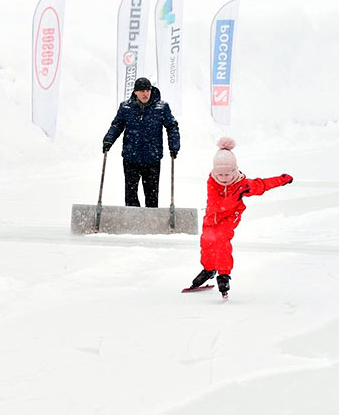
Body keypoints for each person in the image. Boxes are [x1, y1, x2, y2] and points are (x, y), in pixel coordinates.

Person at [186, 137, 293, 297]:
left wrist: (281, 180)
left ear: (235, 170)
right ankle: (209, 269)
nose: (223, 177)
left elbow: (261, 185)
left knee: (222, 238)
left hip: (231, 216)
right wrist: (236, 195)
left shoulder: (241, 183)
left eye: (227, 174)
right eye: (219, 173)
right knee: (207, 240)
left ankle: (223, 274)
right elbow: (218, 206)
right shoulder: (212, 182)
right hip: (212, 215)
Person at [102, 77, 179, 208]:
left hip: (152, 158)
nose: (145, 94)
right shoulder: (126, 107)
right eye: (142, 91)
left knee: (152, 194)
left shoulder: (162, 107)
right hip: (131, 157)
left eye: (147, 90)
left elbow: (172, 126)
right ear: (135, 92)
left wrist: (174, 145)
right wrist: (109, 139)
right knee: (130, 193)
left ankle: (151, 222)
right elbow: (117, 125)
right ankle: (132, 221)